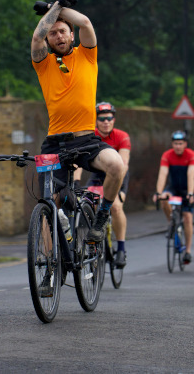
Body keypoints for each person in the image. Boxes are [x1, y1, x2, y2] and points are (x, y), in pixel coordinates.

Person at [31, 0, 125, 250]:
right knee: (48, 206)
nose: (58, 36)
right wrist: (58, 7)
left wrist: (53, 7)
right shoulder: (44, 63)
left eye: (63, 31)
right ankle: (49, 270)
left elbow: (84, 22)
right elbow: (37, 35)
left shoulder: (87, 55)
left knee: (116, 166)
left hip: (87, 140)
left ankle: (102, 214)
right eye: (54, 33)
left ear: (71, 36)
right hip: (54, 145)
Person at [74, 102, 131, 268]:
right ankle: (92, 241)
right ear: (96, 121)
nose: (106, 122)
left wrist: (119, 189)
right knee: (86, 202)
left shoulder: (122, 136)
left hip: (118, 174)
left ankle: (121, 248)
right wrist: (77, 182)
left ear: (113, 119)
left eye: (109, 118)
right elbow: (79, 162)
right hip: (97, 175)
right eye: (102, 119)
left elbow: (124, 162)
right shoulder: (91, 135)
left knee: (116, 207)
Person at [152, 130, 194, 264]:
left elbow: (191, 174)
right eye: (175, 143)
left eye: (180, 143)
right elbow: (163, 174)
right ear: (172, 144)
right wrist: (158, 192)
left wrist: (190, 193)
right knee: (164, 198)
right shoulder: (167, 155)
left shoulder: (191, 155)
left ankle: (188, 251)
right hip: (173, 188)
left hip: (186, 189)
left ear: (185, 144)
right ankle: (171, 222)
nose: (178, 146)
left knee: (187, 217)